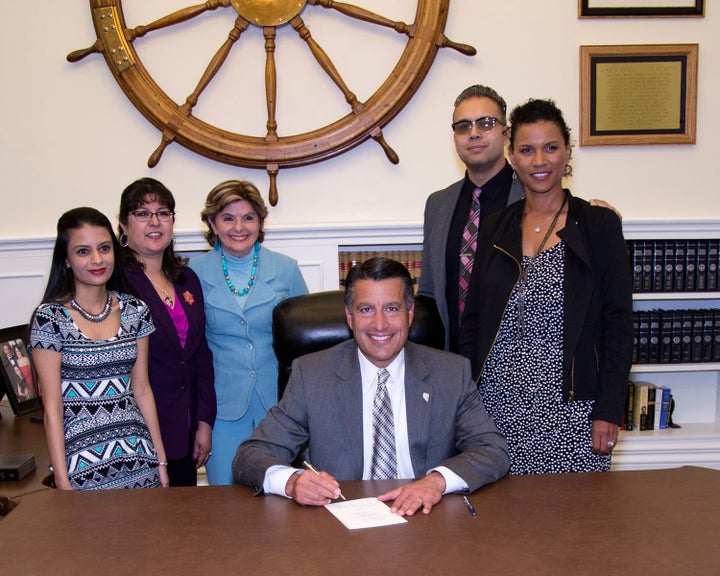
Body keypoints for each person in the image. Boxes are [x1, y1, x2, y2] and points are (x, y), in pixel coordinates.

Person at [233, 257, 509, 516]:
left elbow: (492, 449)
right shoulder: (312, 374)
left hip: (426, 517)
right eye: (366, 309)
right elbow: (251, 455)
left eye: (392, 308)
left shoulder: (450, 372)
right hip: (341, 518)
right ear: (350, 317)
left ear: (410, 314)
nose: (380, 324)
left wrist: (436, 481)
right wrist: (292, 482)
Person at [460, 99, 633, 474]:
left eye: (550, 147)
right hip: (497, 406)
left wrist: (608, 410)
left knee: (573, 523)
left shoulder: (598, 226)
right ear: (512, 155)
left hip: (573, 410)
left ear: (568, 152)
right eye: (527, 149)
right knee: (500, 523)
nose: (539, 160)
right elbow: (473, 321)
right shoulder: (494, 226)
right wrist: (466, 404)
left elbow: (618, 325)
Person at [419, 84, 618, 352]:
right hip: (452, 364)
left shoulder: (539, 195)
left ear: (506, 135)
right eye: (463, 126)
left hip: (518, 362)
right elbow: (429, 295)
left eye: (486, 123)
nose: (474, 133)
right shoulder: (438, 205)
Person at [29, 207, 169, 490]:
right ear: (66, 260)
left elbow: (142, 390)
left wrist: (161, 463)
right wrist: (62, 480)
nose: (97, 259)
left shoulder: (135, 310)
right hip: (83, 473)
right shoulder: (50, 319)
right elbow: (52, 407)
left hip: (140, 464)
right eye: (83, 251)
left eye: (104, 248)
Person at [189, 180, 308, 485]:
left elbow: (304, 344)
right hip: (223, 409)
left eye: (248, 217)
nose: (238, 227)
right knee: (227, 503)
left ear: (260, 222)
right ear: (213, 224)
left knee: (277, 496)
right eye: (228, 218)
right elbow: (191, 351)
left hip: (279, 406)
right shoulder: (193, 273)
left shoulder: (286, 269)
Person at [118, 177, 217, 486]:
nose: (155, 221)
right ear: (123, 224)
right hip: (137, 432)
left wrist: (204, 421)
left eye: (163, 212)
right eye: (142, 213)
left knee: (182, 528)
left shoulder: (187, 279)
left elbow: (200, 355)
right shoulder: (115, 283)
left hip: (186, 429)